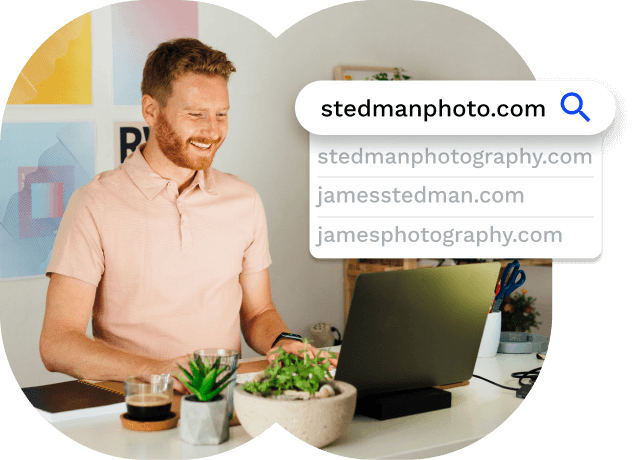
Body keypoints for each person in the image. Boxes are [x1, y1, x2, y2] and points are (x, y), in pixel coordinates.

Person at [39, 38, 334, 393]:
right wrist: (160, 370)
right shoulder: (93, 204)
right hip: (143, 406)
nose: (212, 131)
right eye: (196, 115)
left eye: (221, 114)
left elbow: (258, 313)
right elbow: (58, 343)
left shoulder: (244, 199)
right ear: (151, 110)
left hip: (227, 400)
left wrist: (283, 343)